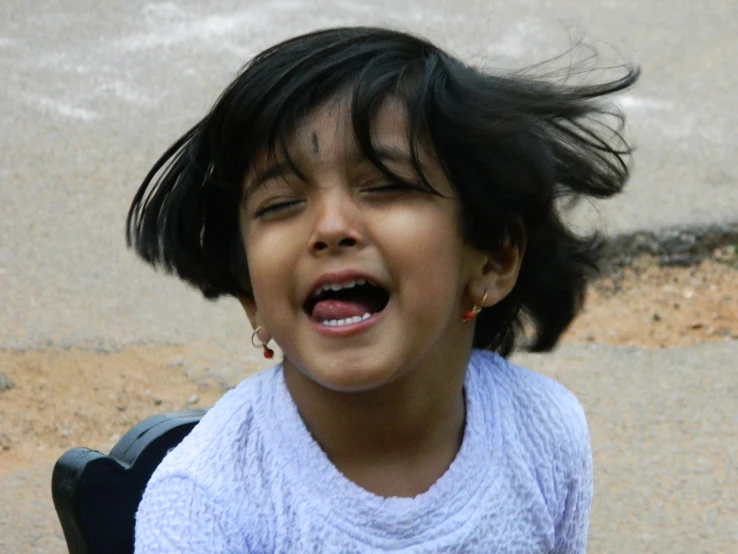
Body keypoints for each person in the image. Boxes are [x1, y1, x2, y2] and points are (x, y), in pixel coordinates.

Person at [127, 26, 638, 553]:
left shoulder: (544, 433)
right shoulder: (205, 504)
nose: (330, 227)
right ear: (250, 296)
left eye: (385, 185)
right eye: (279, 204)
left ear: (493, 257)